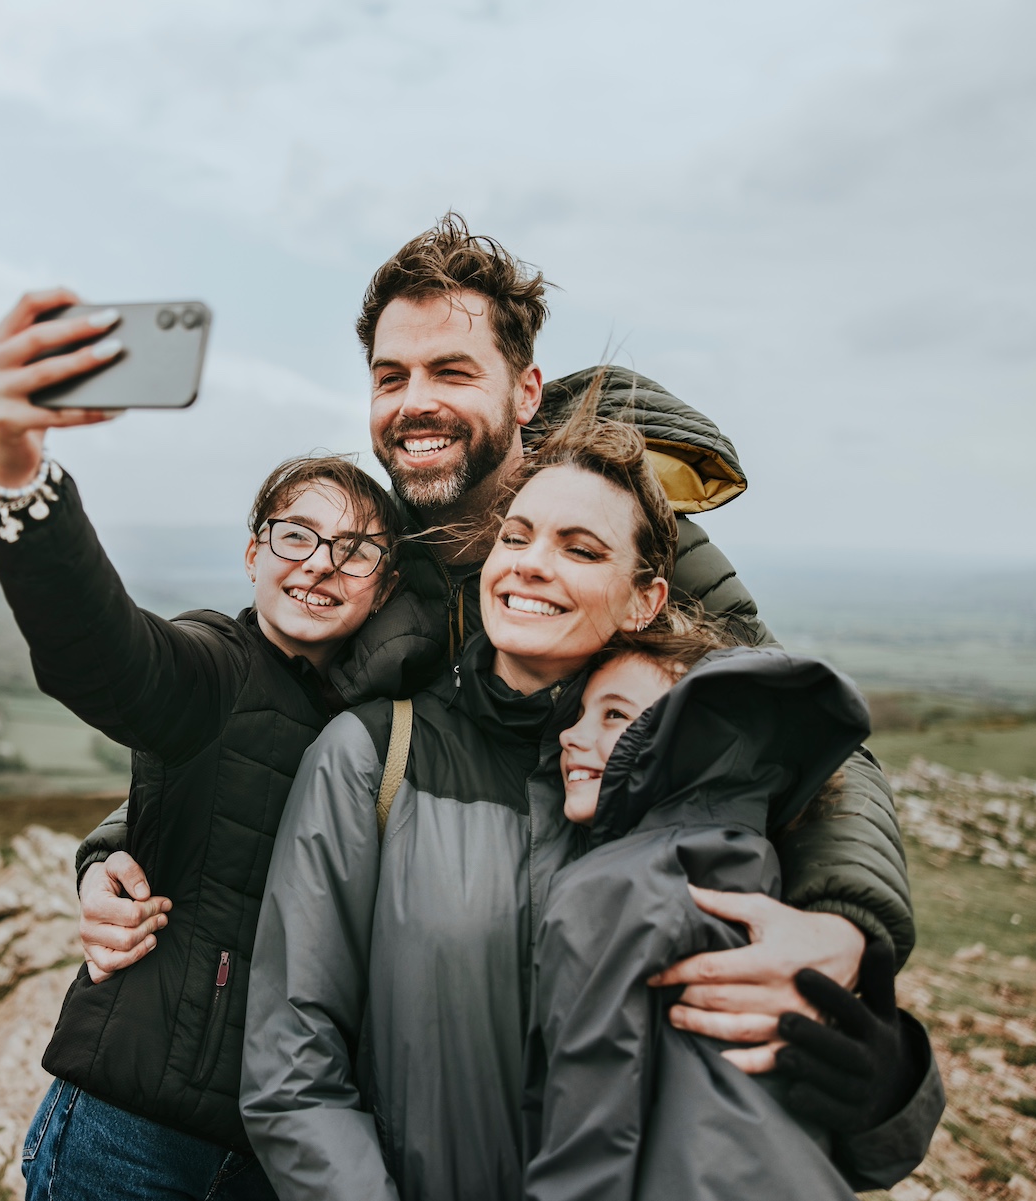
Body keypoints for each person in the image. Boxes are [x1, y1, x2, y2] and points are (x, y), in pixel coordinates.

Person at [72, 213, 915, 1073]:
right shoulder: (378, 555)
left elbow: (816, 747)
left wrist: (845, 927)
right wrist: (113, 851)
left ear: (524, 392)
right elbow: (254, 706)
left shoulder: (625, 531)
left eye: (452, 370)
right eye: (390, 375)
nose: (415, 403)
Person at [239, 403, 940, 1199]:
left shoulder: (700, 791)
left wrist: (886, 1093)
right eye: (517, 536)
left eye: (579, 548)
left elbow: (774, 1109)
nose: (532, 564)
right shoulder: (372, 756)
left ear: (644, 598)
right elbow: (292, 1068)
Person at [0, 291, 439, 1200]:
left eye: (355, 551)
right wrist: (19, 470)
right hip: (132, 1137)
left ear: (385, 589)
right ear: (252, 555)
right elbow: (103, 652)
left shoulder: (394, 720)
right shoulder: (214, 665)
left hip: (289, 1155)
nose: (319, 563)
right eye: (296, 535)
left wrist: (105, 843)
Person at [522, 631, 946, 1200]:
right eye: (578, 714)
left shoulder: (614, 886)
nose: (570, 736)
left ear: (692, 740)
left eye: (615, 715)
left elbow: (588, 1142)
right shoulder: (757, 866)